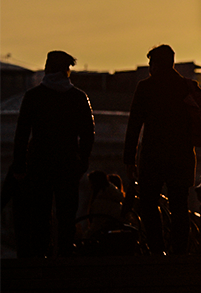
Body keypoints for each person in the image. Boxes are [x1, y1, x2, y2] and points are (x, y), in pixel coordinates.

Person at [124, 45, 201, 255]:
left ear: (154, 65)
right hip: (181, 155)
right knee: (179, 204)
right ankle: (179, 251)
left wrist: (129, 159)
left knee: (148, 203)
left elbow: (134, 125)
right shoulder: (187, 86)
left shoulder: (146, 87)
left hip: (152, 156)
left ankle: (157, 249)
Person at [12, 50, 95, 258]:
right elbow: (88, 134)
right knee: (67, 214)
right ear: (67, 70)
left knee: (40, 214)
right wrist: (83, 161)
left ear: (47, 69)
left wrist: (20, 165)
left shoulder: (33, 97)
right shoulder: (79, 97)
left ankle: (42, 255)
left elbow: (21, 134)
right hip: (68, 162)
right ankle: (65, 254)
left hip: (40, 162)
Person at [85, 170, 125, 238]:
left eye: (91, 183)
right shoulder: (113, 200)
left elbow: (96, 225)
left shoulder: (100, 203)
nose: (89, 186)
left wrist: (85, 236)